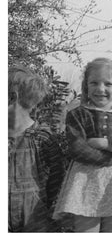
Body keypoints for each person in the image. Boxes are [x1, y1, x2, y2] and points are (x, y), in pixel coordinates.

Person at [53, 58, 112, 232]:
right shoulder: (78, 115)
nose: (100, 89)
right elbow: (78, 149)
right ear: (86, 86)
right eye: (94, 83)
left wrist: (106, 143)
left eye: (108, 84)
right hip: (86, 180)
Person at [8, 66, 66, 232]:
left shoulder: (41, 137)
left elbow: (58, 176)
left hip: (34, 216)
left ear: (12, 98)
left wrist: (51, 210)